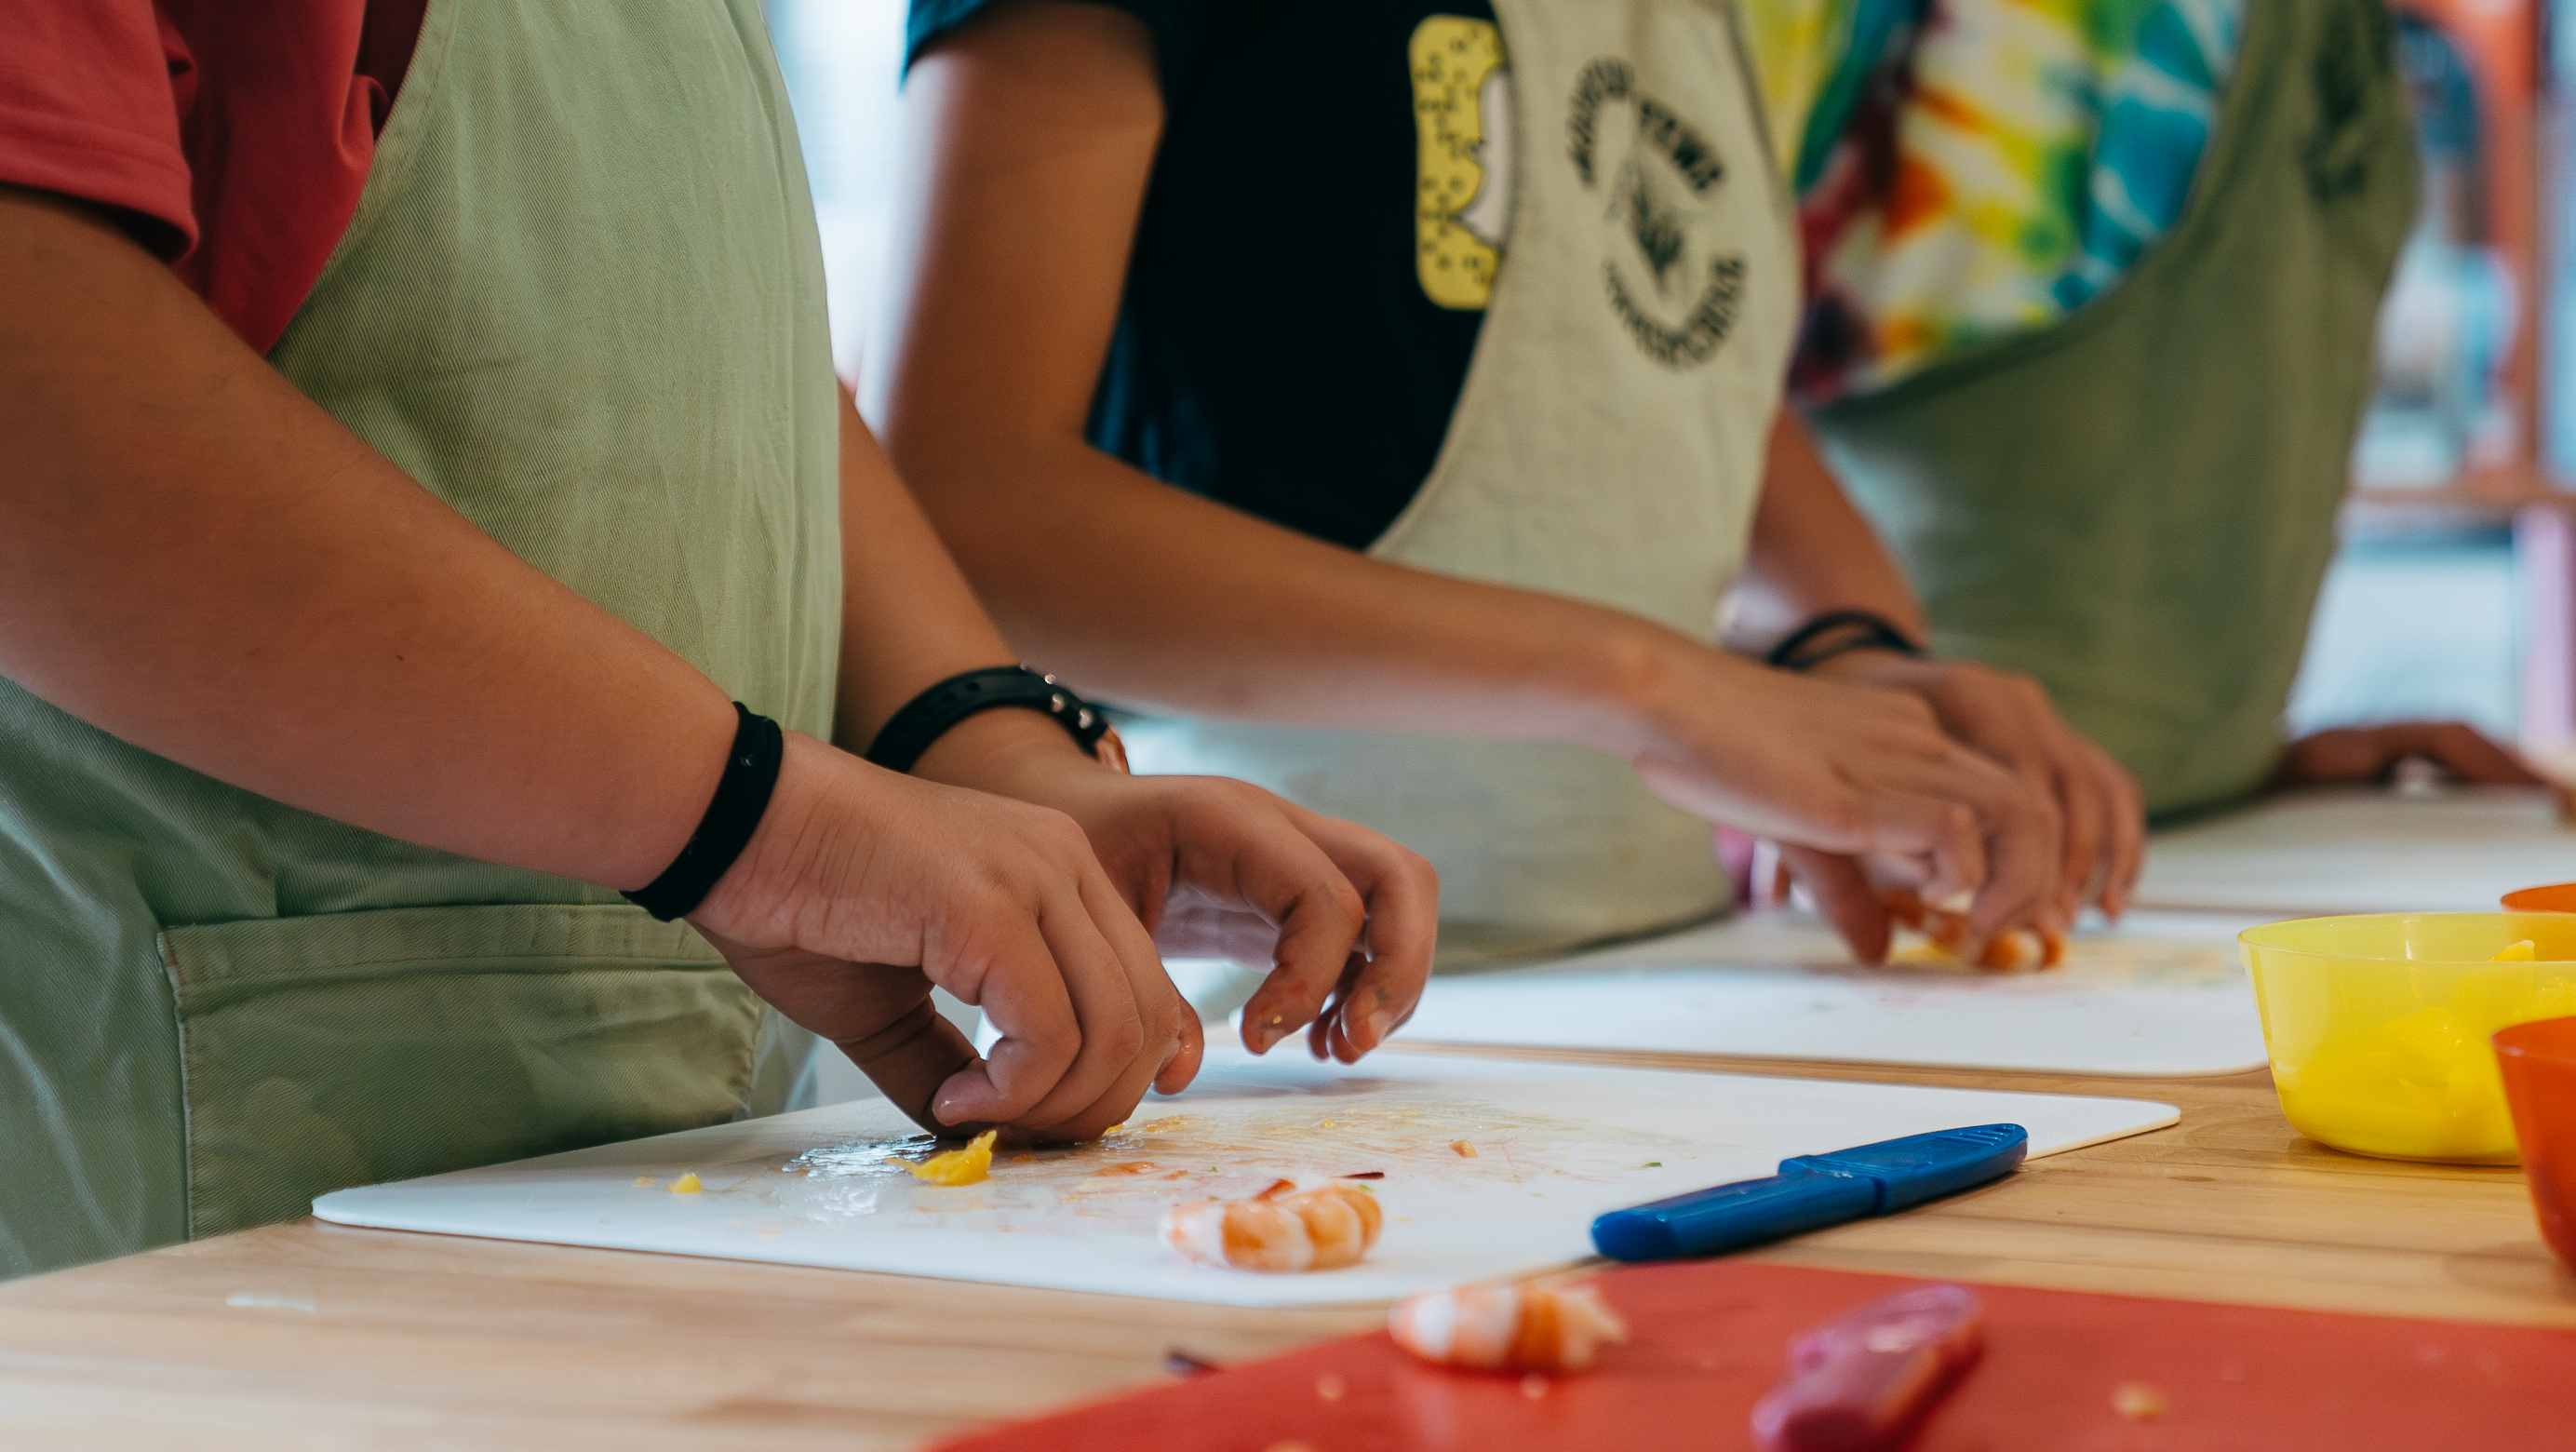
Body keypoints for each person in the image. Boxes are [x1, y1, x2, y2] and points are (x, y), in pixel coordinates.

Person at [0, 0, 1434, 1280]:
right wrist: (770, 829)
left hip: (650, 1170)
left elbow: (719, 355)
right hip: (177, 1207)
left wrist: (986, 748)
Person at [870, 0, 2141, 970]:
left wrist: (1847, 647)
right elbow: (966, 504)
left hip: (1657, 954)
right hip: (1233, 990)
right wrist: (1655, 685)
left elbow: (1656, 346)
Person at [1761, 0, 2538, 810]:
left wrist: (2227, 760)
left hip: (2173, 833)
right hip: (1923, 846)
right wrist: (1846, 661)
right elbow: (1667, 378)